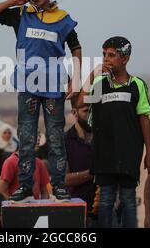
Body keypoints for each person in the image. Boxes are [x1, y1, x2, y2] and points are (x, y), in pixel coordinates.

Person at [0, 0, 82, 202]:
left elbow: (75, 47)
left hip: (53, 86)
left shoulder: (63, 18)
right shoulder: (20, 13)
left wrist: (76, 79)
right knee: (26, 138)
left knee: (55, 137)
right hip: (27, 85)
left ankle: (58, 186)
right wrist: (13, 0)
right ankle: (25, 186)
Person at [77, 36, 150, 228]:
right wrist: (93, 75)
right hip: (104, 152)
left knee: (128, 198)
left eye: (112, 55)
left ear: (125, 59)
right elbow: (79, 103)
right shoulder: (99, 83)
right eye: (104, 54)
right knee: (105, 198)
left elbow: (144, 119)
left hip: (129, 151)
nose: (106, 59)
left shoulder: (137, 84)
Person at [64, 96, 96, 226]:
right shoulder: (64, 141)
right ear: (74, 112)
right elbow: (63, 179)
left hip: (104, 211)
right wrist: (91, 173)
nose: (91, 115)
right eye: (86, 111)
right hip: (76, 212)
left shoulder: (103, 138)